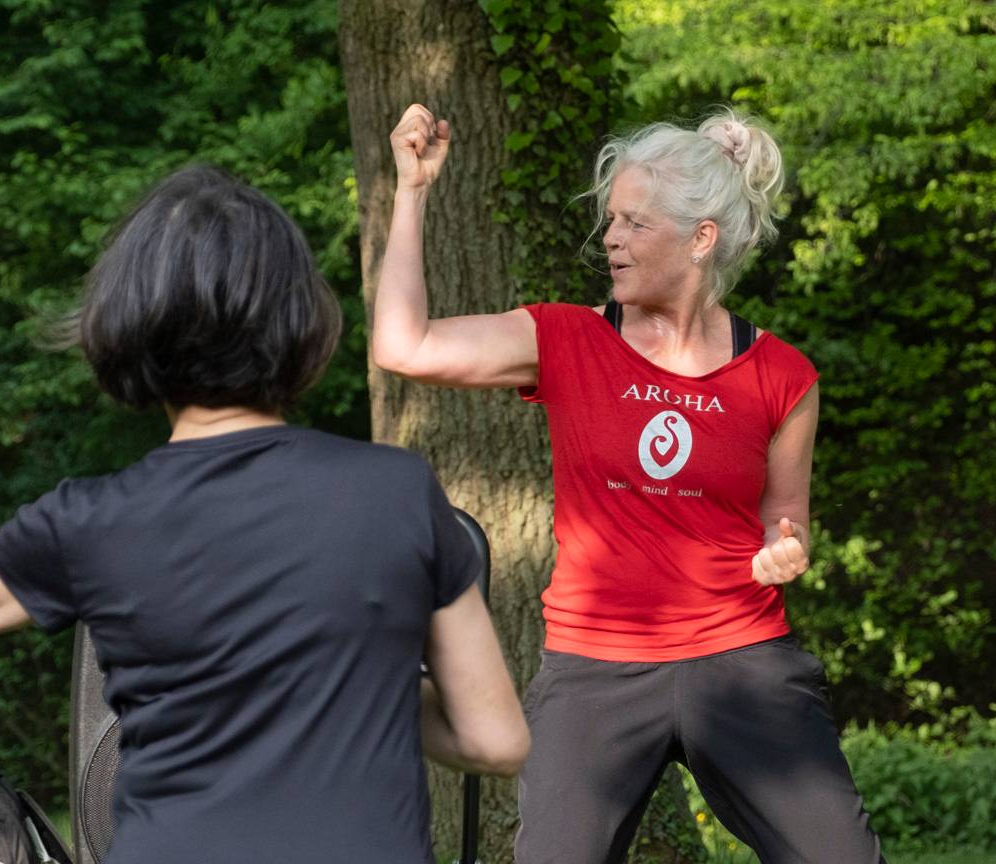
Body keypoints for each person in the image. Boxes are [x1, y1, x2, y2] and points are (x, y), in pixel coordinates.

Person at [0, 165, 528, 863]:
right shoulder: (397, 491)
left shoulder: (90, 521)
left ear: (129, 322)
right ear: (300, 316)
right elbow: (495, 739)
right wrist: (361, 685)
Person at [370, 105, 884, 863]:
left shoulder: (783, 375)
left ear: (701, 238)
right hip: (594, 666)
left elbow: (788, 519)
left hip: (741, 656)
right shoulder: (564, 338)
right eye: (611, 220)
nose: (610, 238)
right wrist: (410, 192)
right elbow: (401, 345)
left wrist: (787, 547)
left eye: (635, 224)